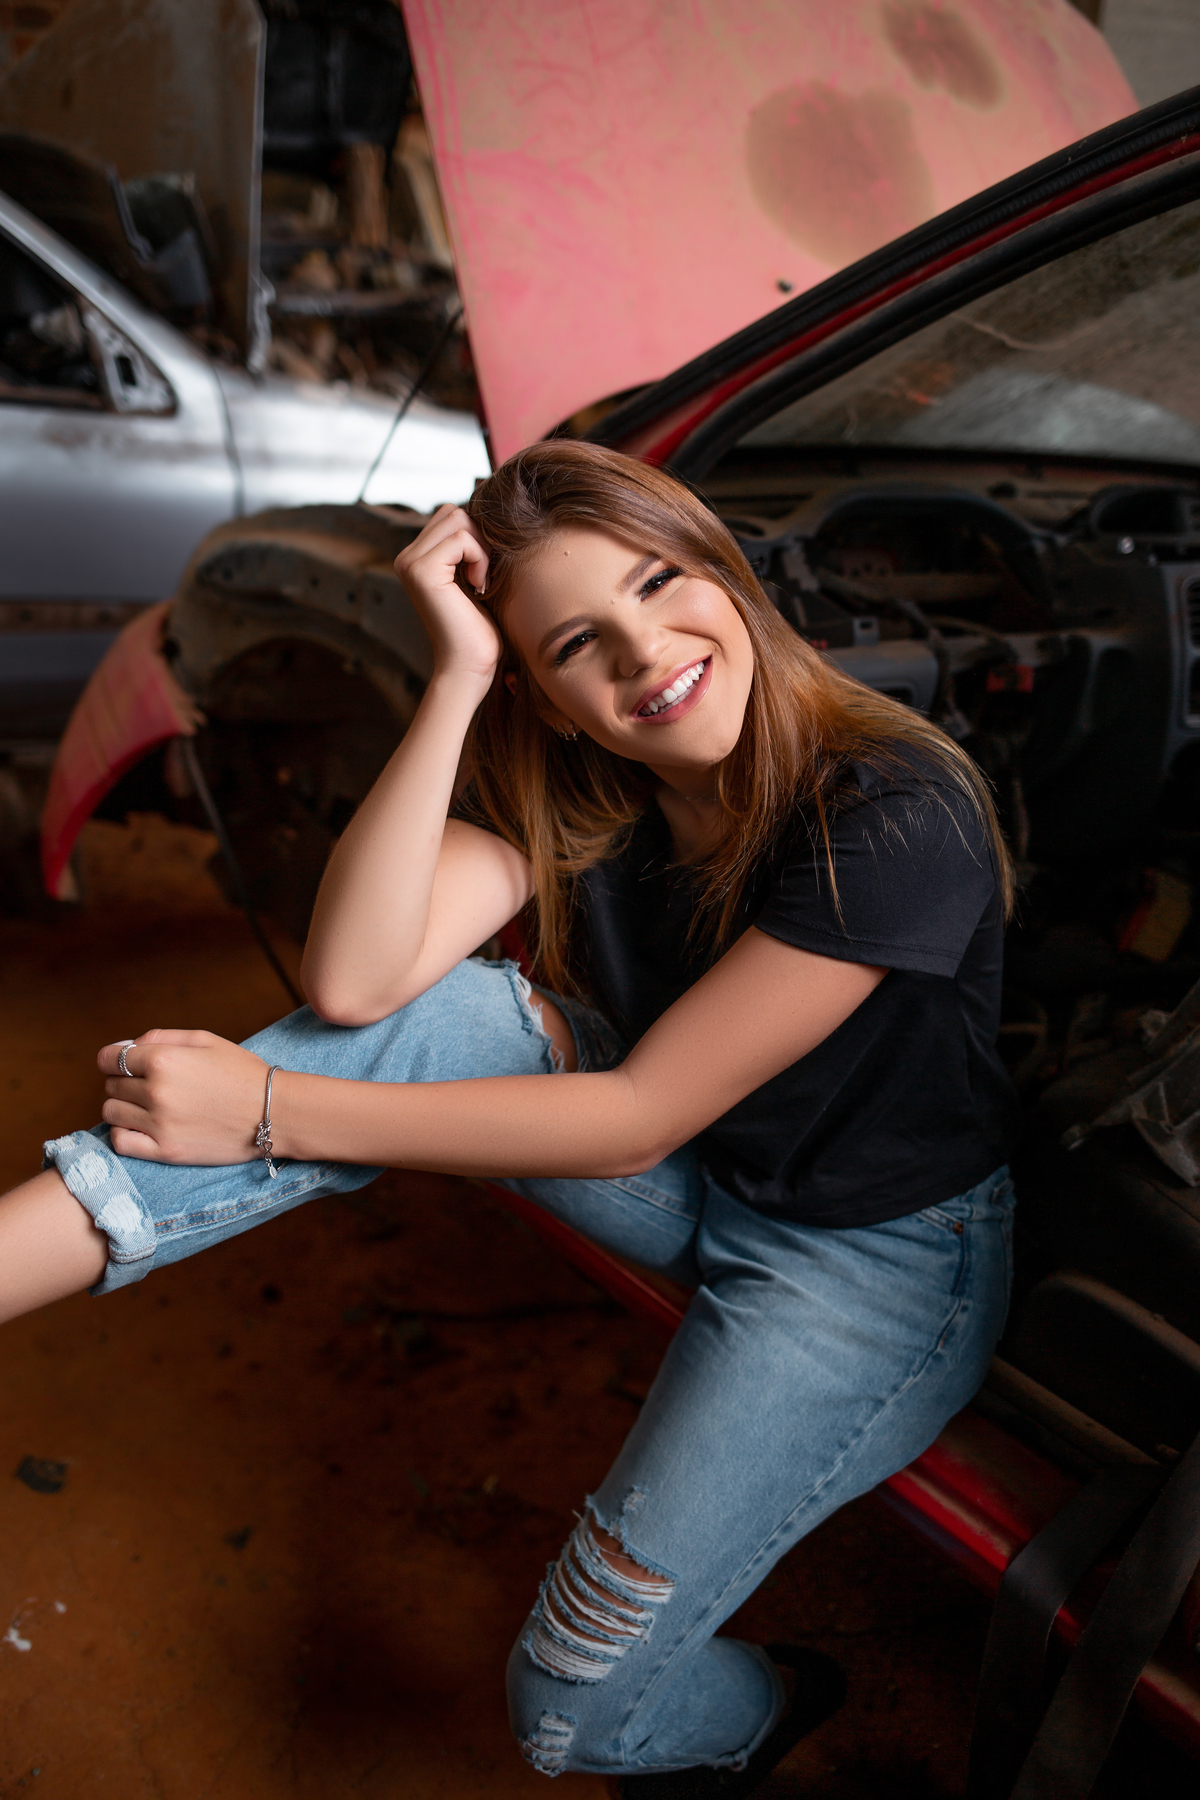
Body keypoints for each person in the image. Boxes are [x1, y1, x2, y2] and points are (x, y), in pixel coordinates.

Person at [0, 441, 1017, 1793]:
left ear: (726, 567)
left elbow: (637, 1117)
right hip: (708, 1175)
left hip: (873, 1267)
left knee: (571, 1709)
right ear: (547, 693)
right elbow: (356, 984)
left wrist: (268, 1112)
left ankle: (765, 1706)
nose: (648, 653)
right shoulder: (596, 789)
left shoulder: (892, 809)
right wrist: (456, 680)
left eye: (663, 581)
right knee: (435, 1019)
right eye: (578, 644)